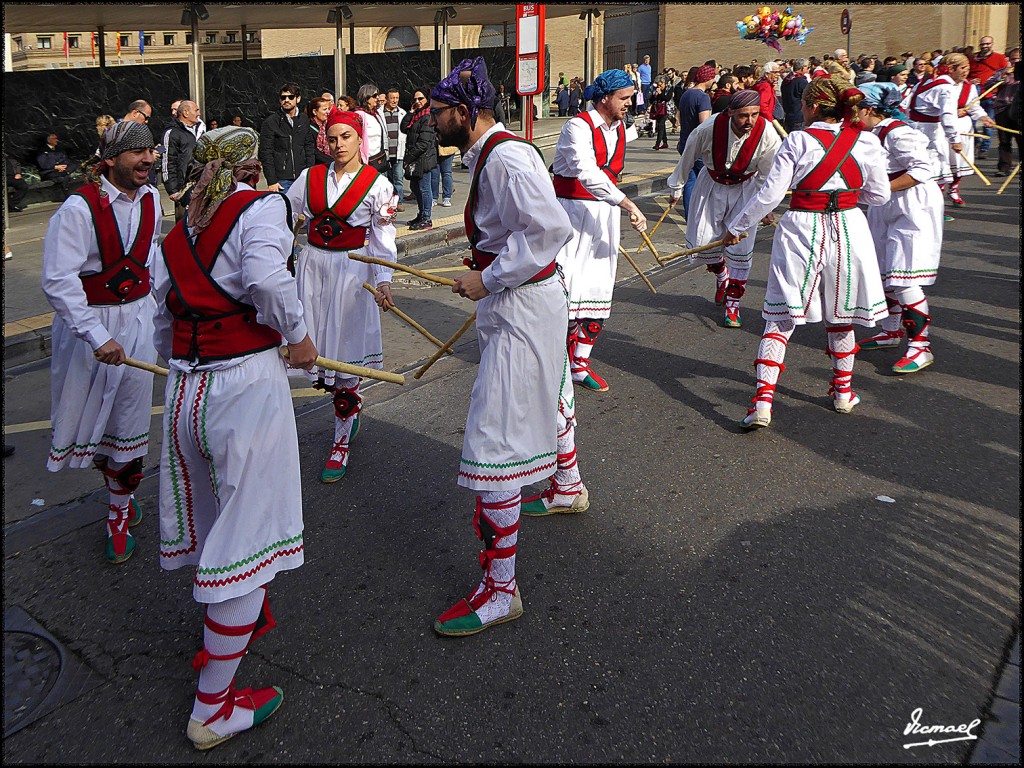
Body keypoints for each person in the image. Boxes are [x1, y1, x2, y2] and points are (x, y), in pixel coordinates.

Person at [152, 126, 317, 750]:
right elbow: (269, 283)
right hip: (244, 386)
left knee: (221, 518)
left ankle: (219, 648)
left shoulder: (176, 230)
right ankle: (213, 708)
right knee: (248, 533)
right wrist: (298, 336)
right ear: (248, 165)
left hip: (186, 392)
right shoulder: (260, 207)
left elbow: (162, 307)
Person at [427, 57, 585, 637]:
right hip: (520, 300)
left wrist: (488, 278)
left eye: (439, 113)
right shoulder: (492, 156)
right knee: (543, 399)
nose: (432, 121)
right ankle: (565, 487)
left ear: (466, 113)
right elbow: (517, 230)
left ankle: (501, 591)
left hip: (522, 304)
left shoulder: (508, 157)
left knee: (493, 443)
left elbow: (549, 230)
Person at [721, 71, 891, 429]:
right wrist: (844, 193)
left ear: (813, 106)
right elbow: (879, 196)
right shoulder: (868, 142)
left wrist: (736, 227)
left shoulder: (798, 140)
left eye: (802, 104)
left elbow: (769, 194)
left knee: (781, 316)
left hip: (802, 228)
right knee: (841, 313)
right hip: (849, 227)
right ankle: (843, 393)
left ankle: (762, 403)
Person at [42, 121, 161, 563]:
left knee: (130, 423)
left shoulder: (151, 199)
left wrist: (166, 322)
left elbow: (153, 267)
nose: (148, 159)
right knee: (96, 426)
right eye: (137, 152)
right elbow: (57, 281)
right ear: (109, 159)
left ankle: (118, 510)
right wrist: (97, 335)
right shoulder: (78, 209)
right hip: (89, 331)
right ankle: (117, 494)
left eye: (151, 150)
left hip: (139, 324)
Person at [286, 110, 397, 482]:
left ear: (359, 139)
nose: (338, 145)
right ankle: (348, 413)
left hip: (351, 273)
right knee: (315, 349)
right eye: (332, 138)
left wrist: (383, 280)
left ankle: (340, 441)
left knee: (346, 354)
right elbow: (287, 218)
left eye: (346, 137)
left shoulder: (377, 184)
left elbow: (383, 239)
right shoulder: (309, 177)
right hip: (313, 269)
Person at [552, 69, 648, 392]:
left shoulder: (618, 127)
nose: (629, 103)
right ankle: (557, 362)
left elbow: (617, 143)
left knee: (599, 290)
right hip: (573, 216)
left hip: (604, 217)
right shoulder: (576, 127)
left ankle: (580, 363)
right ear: (605, 97)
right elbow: (587, 172)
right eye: (625, 98)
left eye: (631, 97)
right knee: (567, 291)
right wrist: (629, 204)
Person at [667, 89, 782, 328]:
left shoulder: (767, 134)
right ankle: (721, 275)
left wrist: (764, 207)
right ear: (730, 112)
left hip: (746, 189)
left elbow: (767, 175)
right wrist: (676, 187)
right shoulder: (708, 128)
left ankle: (733, 303)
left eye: (754, 114)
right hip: (712, 187)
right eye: (743, 116)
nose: (749, 121)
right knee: (705, 244)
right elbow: (688, 157)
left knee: (740, 248)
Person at [855, 83, 944, 375]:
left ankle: (921, 345)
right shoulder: (870, 132)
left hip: (913, 206)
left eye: (856, 109)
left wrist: (881, 190)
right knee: (883, 268)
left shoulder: (898, 132)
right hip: (886, 204)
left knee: (904, 275)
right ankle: (891, 330)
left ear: (869, 110)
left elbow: (922, 170)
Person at [906, 53, 995, 206]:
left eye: (967, 67)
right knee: (935, 167)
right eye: (962, 67)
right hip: (930, 131)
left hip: (923, 128)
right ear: (951, 69)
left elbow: (909, 104)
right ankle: (929, 207)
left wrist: (983, 117)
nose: (966, 71)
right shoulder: (945, 87)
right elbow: (947, 115)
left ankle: (934, 201)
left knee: (932, 166)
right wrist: (955, 139)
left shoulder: (931, 80)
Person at [674, 65, 716, 216]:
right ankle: (703, 215)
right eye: (713, 77)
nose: (714, 80)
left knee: (689, 181)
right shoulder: (703, 97)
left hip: (685, 142)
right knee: (708, 181)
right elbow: (704, 124)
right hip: (699, 147)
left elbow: (679, 115)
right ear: (708, 78)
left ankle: (690, 215)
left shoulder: (687, 94)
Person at [258, 82, 314, 193]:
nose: (286, 100)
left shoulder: (304, 119)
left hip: (303, 177)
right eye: (283, 97)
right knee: (285, 209)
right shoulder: (271, 122)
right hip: (282, 180)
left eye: (290, 97)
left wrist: (309, 172)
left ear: (298, 99)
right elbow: (266, 153)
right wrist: (272, 181)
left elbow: (309, 147)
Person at [969, 36, 1011, 158]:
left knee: (988, 123)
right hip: (975, 94)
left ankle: (984, 148)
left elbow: (1006, 74)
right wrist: (971, 80)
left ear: (992, 44)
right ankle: (976, 142)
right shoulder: (973, 59)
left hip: (991, 95)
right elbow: (967, 74)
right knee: (971, 122)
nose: (985, 46)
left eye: (987, 44)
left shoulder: (999, 58)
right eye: (982, 44)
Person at [401, 89, 437, 230]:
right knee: (415, 187)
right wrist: (410, 112)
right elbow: (404, 128)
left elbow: (424, 143)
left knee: (424, 188)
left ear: (426, 99)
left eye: (420, 99)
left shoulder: (427, 116)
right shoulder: (416, 115)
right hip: (415, 159)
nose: (417, 102)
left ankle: (426, 217)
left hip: (424, 158)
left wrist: (408, 158)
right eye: (415, 99)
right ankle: (421, 214)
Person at [165, 101, 200, 220]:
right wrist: (172, 189)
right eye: (196, 110)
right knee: (183, 225)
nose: (199, 114)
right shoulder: (172, 132)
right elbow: (168, 161)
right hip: (182, 188)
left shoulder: (200, 129)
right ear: (185, 113)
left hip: (200, 184)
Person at [991, 52, 1021, 177]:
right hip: (1002, 108)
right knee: (1004, 140)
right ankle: (1004, 167)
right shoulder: (1002, 72)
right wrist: (1000, 79)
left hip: (1018, 109)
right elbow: (988, 83)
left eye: (1018, 59)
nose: (1015, 62)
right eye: (1013, 59)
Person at [378, 87, 408, 211]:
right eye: (392, 98)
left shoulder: (402, 113)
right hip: (384, 153)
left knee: (398, 179)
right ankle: (386, 202)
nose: (394, 100)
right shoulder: (379, 113)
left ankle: (399, 201)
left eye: (396, 98)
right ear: (387, 99)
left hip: (398, 152)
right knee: (384, 180)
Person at [353, 83, 390, 173]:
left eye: (377, 95)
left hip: (379, 158)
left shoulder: (376, 114)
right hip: (366, 161)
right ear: (366, 97)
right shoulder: (359, 114)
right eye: (374, 95)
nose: (377, 98)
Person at [36, 133, 74, 199]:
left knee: (72, 167)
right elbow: (43, 164)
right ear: (49, 140)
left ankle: (66, 195)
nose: (57, 140)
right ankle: (66, 195)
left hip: (61, 169)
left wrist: (63, 166)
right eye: (55, 139)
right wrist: (55, 167)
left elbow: (65, 159)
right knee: (63, 177)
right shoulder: (42, 151)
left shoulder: (59, 149)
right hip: (49, 171)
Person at [781, 59, 810, 132]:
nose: (808, 70)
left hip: (788, 115)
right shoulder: (802, 81)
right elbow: (808, 98)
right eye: (807, 68)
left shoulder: (787, 79)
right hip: (799, 116)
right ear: (802, 68)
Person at [752, 61, 782, 127]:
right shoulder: (765, 86)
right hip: (764, 120)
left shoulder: (762, 84)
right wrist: (770, 120)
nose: (778, 74)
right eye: (775, 72)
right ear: (766, 74)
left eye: (778, 72)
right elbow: (762, 106)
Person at [306, 95, 333, 166]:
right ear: (315, 112)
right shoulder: (309, 128)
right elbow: (313, 151)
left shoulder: (328, 126)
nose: (328, 112)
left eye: (328, 109)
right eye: (324, 109)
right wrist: (331, 161)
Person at [650, 80, 671, 150]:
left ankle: (657, 144)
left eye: (661, 85)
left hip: (665, 110)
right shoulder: (656, 90)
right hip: (658, 110)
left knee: (660, 126)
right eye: (658, 85)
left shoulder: (669, 89)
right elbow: (651, 100)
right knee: (662, 126)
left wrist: (660, 93)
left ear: (664, 84)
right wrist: (655, 95)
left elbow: (667, 98)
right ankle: (665, 142)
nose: (659, 87)